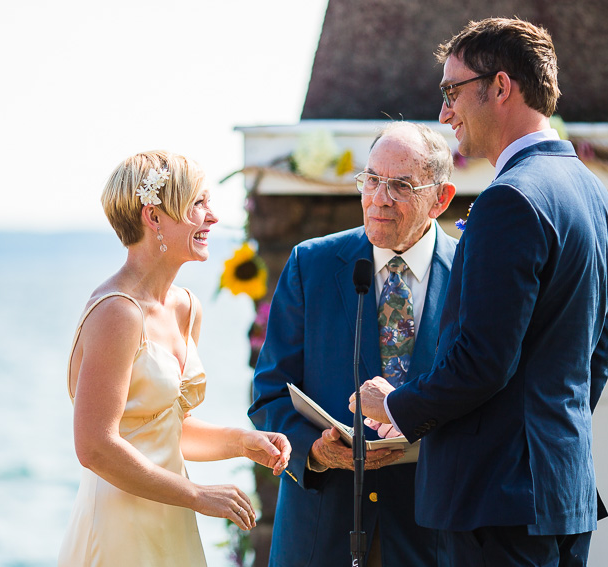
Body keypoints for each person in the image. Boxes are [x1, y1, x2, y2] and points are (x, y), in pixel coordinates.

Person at [355, 18, 608, 567]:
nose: (444, 112)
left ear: (501, 87)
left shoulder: (511, 199)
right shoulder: (595, 196)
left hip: (497, 507)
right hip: (562, 495)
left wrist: (397, 405)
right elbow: (595, 356)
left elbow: (483, 359)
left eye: (452, 91)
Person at [58, 150, 291, 566]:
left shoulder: (186, 307)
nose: (212, 217)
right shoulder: (117, 312)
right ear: (154, 217)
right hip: (118, 527)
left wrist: (243, 442)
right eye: (198, 204)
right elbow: (95, 446)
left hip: (171, 518)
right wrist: (199, 496)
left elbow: (168, 428)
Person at [248, 121, 458, 567]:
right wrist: (315, 452)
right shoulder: (312, 265)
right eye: (372, 179)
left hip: (434, 539)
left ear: (440, 199)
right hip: (322, 535)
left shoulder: (472, 273)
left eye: (400, 185)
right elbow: (268, 395)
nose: (379, 198)